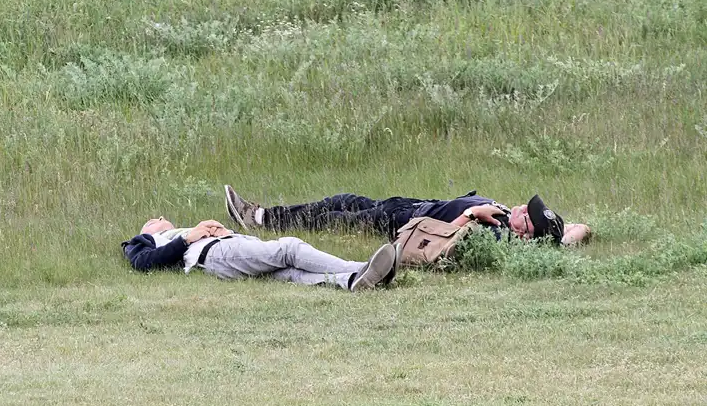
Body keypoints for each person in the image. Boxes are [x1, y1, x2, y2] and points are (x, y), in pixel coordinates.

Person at [223, 186, 592, 246]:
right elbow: (581, 229)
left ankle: (258, 221)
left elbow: (447, 239)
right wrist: (559, 237)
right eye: (525, 207)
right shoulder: (516, 227)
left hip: (407, 223)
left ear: (525, 236)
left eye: (525, 216)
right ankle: (264, 214)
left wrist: (475, 214)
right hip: (407, 204)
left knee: (336, 217)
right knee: (346, 199)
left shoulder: (499, 236)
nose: (518, 209)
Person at [122, 217, 398, 292]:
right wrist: (188, 236)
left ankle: (350, 282)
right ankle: (362, 268)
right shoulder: (144, 241)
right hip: (215, 255)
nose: (159, 217)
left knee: (290, 274)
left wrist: (221, 229)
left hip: (227, 250)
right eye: (152, 219)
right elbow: (143, 263)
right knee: (289, 248)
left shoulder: (178, 233)